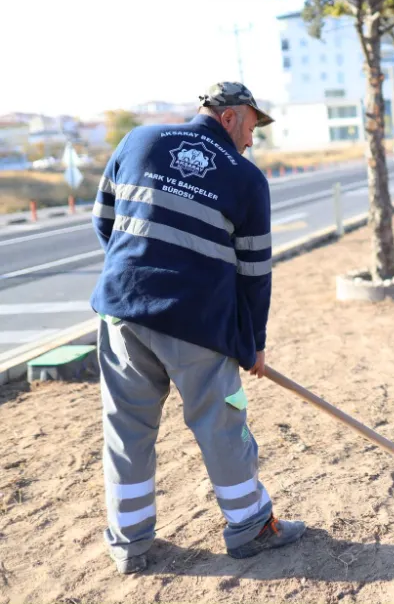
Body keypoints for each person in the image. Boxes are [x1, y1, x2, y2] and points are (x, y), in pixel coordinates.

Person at [90, 82, 305, 575]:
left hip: (123, 312)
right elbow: (254, 275)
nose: (252, 141)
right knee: (220, 425)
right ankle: (251, 526)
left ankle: (130, 544)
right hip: (197, 325)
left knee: (126, 430)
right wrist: (253, 345)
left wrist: (140, 274)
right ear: (230, 117)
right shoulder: (246, 180)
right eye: (252, 128)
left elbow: (105, 222)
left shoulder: (138, 141)